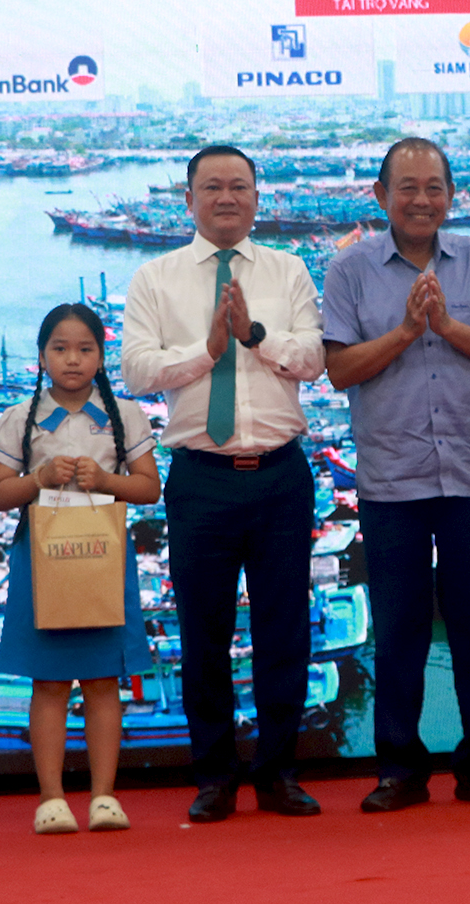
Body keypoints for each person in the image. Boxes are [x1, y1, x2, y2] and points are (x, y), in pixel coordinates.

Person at [120, 146, 327, 823]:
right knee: (202, 633)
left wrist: (254, 335)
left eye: (240, 185)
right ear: (189, 198)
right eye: (213, 186)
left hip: (278, 475)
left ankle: (277, 772)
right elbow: (138, 371)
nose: (227, 197)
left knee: (283, 629)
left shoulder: (288, 269)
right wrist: (209, 351)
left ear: (257, 196)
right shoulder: (156, 277)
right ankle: (213, 774)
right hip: (201, 479)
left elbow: (314, 359)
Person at [323, 137, 470, 812]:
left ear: (451, 195)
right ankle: (399, 769)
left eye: (433, 186)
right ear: (381, 196)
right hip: (392, 479)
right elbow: (342, 369)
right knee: (401, 627)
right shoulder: (350, 270)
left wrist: (445, 323)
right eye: (406, 186)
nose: (421, 198)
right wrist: (410, 332)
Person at [0, 304, 161, 835]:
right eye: (60, 349)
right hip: (42, 560)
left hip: (105, 559)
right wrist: (39, 476)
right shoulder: (19, 418)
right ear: (42, 356)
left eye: (85, 349)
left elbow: (150, 488)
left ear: (102, 357)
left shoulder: (126, 415)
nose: (72, 359)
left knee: (105, 680)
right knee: (50, 684)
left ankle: (104, 797)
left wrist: (106, 481)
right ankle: (52, 798)